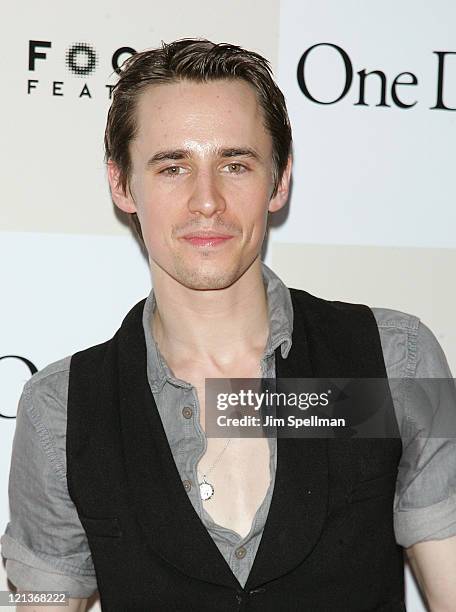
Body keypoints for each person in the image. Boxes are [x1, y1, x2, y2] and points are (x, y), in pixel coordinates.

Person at [1, 38, 455, 612]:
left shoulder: (400, 361)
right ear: (121, 185)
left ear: (280, 180)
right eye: (173, 166)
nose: (207, 201)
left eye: (234, 165)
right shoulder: (61, 409)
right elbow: (43, 598)